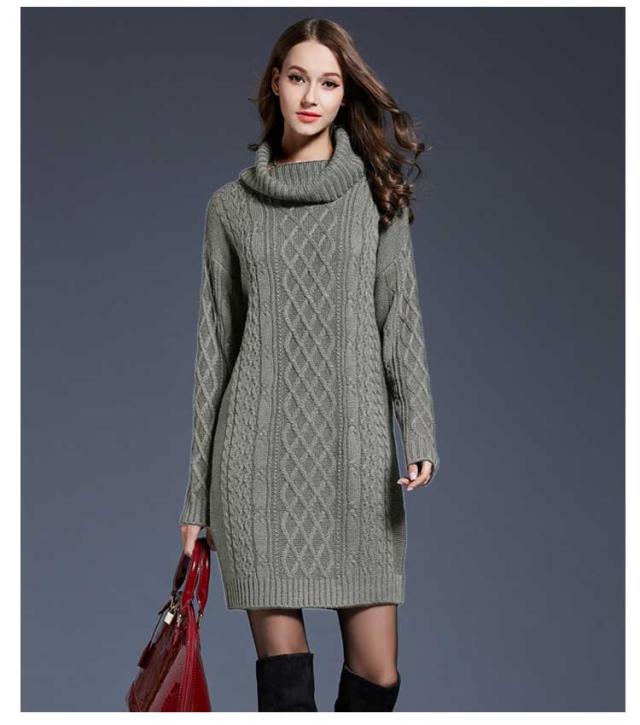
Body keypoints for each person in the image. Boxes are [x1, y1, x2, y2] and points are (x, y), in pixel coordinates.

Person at [178, 17, 441, 712]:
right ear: (275, 82)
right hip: (255, 462)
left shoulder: (377, 194)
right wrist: (196, 499)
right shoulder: (230, 209)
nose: (311, 96)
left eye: (328, 82)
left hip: (356, 456)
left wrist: (418, 427)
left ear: (344, 93)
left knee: (377, 671)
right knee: (285, 680)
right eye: (298, 77)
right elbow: (215, 353)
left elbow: (399, 318)